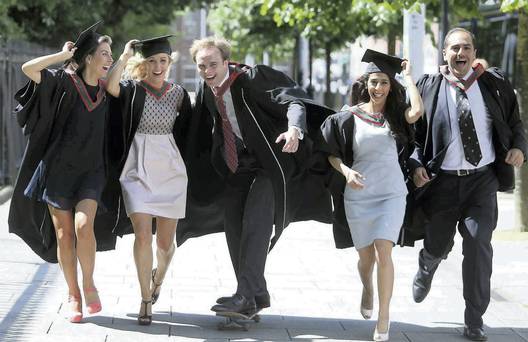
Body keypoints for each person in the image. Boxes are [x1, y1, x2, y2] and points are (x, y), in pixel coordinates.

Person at [179, 36, 333, 316]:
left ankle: (244, 295)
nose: (207, 71)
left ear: (226, 62)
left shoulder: (251, 79)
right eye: (201, 66)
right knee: (233, 225)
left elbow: (294, 102)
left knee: (256, 224)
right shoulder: (207, 90)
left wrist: (295, 130)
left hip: (270, 164)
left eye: (213, 64)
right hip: (239, 165)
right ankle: (255, 293)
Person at [410, 27, 527, 341]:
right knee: (438, 242)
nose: (460, 54)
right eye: (454, 49)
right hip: (443, 183)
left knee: (478, 246)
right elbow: (413, 137)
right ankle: (428, 261)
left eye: (466, 48)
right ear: (445, 53)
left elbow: (515, 123)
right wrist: (416, 162)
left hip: (481, 181)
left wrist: (519, 147)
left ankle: (474, 319)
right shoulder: (429, 86)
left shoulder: (493, 84)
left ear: (474, 52)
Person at [8, 21, 115, 322]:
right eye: (104, 54)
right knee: (64, 234)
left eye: (111, 54)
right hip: (57, 171)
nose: (109, 59)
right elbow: (29, 68)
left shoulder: (108, 89)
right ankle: (73, 294)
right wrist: (61, 55)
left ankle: (89, 283)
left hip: (91, 172)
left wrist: (130, 53)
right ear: (89, 58)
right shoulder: (64, 81)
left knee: (83, 227)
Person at [319, 49, 423, 341]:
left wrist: (409, 77)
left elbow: (417, 111)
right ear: (366, 84)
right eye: (374, 82)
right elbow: (330, 154)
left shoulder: (396, 117)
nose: (378, 88)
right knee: (366, 259)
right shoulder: (349, 117)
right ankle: (367, 286)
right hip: (359, 194)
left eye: (384, 83)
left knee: (383, 250)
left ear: (391, 87)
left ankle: (384, 317)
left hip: (391, 193)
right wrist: (346, 172)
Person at [106, 35, 192, 325]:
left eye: (163, 61)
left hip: (170, 169)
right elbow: (109, 86)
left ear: (169, 62)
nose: (158, 66)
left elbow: (190, 135)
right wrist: (124, 56)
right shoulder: (132, 90)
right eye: (153, 60)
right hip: (136, 168)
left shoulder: (180, 94)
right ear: (145, 63)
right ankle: (145, 299)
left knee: (166, 244)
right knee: (143, 235)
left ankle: (158, 279)